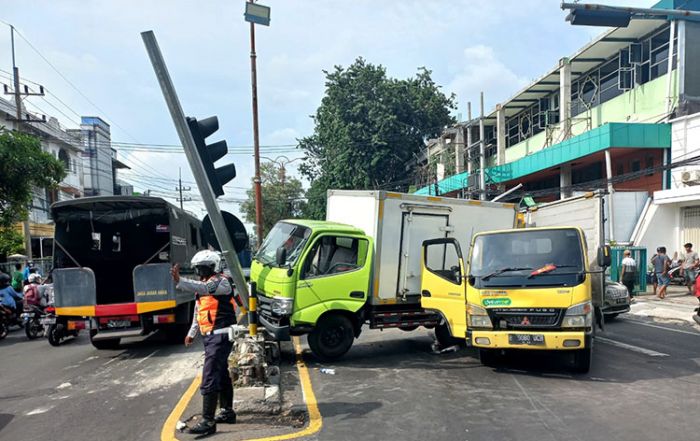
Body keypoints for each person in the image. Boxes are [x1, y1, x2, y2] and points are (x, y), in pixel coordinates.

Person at [170, 250, 236, 436]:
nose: (199, 272)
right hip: (210, 336)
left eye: (202, 268)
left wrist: (180, 281)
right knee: (221, 373)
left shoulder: (220, 281)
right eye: (198, 268)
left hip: (221, 335)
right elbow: (198, 312)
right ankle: (227, 411)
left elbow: (205, 288)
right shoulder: (204, 286)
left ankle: (208, 421)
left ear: (212, 267)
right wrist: (192, 333)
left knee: (209, 376)